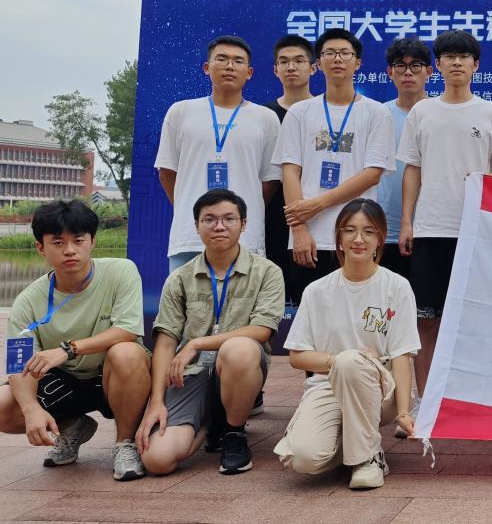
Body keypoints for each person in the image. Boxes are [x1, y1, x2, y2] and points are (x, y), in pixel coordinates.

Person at [397, 30, 492, 399]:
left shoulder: (491, 112)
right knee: (426, 320)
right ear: (438, 65)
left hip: (476, 232)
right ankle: (424, 400)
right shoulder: (422, 111)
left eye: (464, 57)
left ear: (476, 65)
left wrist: (482, 180)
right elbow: (412, 168)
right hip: (431, 229)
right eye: (449, 56)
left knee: (476, 320)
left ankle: (472, 398)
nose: (457, 63)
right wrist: (407, 221)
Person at [274, 199, 420, 490]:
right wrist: (338, 360)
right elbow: (297, 356)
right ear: (339, 238)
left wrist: (404, 412)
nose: (358, 239)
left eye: (368, 231)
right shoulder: (317, 291)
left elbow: (402, 355)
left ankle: (368, 459)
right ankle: (358, 443)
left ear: (380, 239)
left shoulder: (397, 286)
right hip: (327, 386)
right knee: (303, 459)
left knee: (352, 364)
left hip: (380, 388)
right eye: (349, 230)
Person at [137, 189, 284, 476]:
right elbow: (165, 343)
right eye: (209, 219)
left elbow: (262, 330)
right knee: (157, 460)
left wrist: (198, 343)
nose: (219, 226)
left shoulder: (267, 272)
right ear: (197, 226)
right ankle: (211, 422)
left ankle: (233, 433)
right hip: (191, 374)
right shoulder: (179, 278)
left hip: (240, 368)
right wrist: (156, 402)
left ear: (243, 224)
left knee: (239, 348)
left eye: (229, 219)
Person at [0, 200, 150, 481]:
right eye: (58, 242)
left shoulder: (121, 271)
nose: (69, 250)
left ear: (92, 241)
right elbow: (18, 363)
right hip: (65, 382)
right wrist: (31, 410)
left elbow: (128, 330)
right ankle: (72, 426)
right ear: (41, 248)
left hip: (113, 375)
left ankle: (125, 443)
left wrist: (68, 349)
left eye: (78, 240)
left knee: (127, 352)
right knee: (3, 406)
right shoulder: (27, 301)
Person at [272, 28, 394, 303]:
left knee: (357, 312)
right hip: (309, 239)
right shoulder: (300, 112)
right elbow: (290, 170)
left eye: (345, 54)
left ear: (357, 62)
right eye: (330, 53)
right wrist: (299, 229)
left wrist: (317, 204)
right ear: (318, 63)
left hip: (357, 236)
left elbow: (372, 174)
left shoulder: (377, 113)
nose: (337, 59)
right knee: (309, 313)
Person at [156, 35, 281, 273]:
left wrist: (238, 215)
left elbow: (270, 180)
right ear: (207, 67)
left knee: (244, 298)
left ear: (249, 72)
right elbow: (167, 172)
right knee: (185, 298)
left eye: (238, 61)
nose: (230, 66)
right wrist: (197, 213)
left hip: (245, 239)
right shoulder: (181, 112)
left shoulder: (266, 118)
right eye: (222, 59)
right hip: (190, 238)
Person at [264, 35, 317, 305]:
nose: (291, 67)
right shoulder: (262, 115)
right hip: (272, 219)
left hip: (316, 217)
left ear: (313, 67)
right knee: (276, 304)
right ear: (275, 70)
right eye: (284, 62)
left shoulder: (324, 112)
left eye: (299, 61)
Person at [377, 38, 432, 278]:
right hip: (384, 228)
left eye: (416, 66)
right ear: (390, 72)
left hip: (431, 227)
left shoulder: (440, 113)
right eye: (400, 65)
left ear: (429, 72)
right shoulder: (378, 115)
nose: (408, 72)